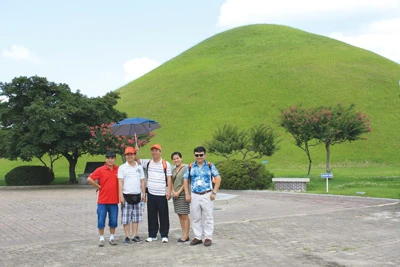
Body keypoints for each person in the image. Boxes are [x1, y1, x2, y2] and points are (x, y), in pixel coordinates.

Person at [183, 146, 221, 247]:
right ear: (194, 155)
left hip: (207, 194)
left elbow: (218, 178)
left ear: (205, 155)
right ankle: (198, 237)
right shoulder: (190, 166)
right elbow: (185, 180)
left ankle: (208, 237)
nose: (199, 157)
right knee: (196, 217)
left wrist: (214, 192)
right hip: (195, 195)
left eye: (201, 155)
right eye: (197, 155)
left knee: (208, 217)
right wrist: (187, 193)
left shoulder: (209, 165)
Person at [138, 144, 172, 243]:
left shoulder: (166, 164)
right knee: (151, 215)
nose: (154, 152)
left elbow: (169, 178)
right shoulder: (148, 162)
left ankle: (164, 234)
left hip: (162, 193)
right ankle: (152, 234)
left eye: (156, 150)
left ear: (160, 152)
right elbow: (137, 160)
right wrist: (136, 151)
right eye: (153, 150)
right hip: (151, 193)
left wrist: (169, 191)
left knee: (163, 215)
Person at [87, 150, 119, 247]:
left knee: (113, 220)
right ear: (106, 159)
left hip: (114, 200)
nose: (110, 160)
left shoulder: (118, 169)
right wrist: (98, 186)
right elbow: (89, 178)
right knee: (101, 219)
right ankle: (101, 238)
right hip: (103, 200)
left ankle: (112, 237)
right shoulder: (100, 170)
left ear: (115, 159)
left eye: (112, 158)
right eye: (108, 158)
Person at [118, 146, 146, 245]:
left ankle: (134, 235)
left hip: (137, 194)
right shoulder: (122, 168)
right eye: (128, 154)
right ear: (125, 156)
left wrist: (144, 193)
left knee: (136, 217)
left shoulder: (139, 167)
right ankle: (127, 236)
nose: (130, 156)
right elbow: (120, 182)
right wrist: (120, 195)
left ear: (134, 155)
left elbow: (142, 181)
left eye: (131, 154)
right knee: (126, 218)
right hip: (126, 195)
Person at [170, 151, 190, 242]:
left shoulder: (186, 168)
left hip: (182, 194)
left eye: (177, 158)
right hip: (175, 195)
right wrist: (173, 191)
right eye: (174, 159)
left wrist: (178, 192)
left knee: (184, 215)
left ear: (181, 158)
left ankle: (186, 235)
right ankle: (184, 233)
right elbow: (171, 182)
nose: (176, 160)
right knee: (179, 214)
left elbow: (186, 182)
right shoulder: (173, 169)